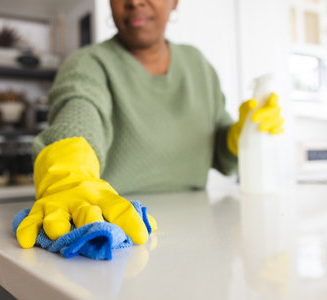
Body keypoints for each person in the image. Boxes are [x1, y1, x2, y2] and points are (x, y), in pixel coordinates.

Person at [16, 0, 283, 249]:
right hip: (123, 231)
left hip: (203, 235)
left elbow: (222, 157)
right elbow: (79, 109)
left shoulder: (198, 65)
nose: (134, 1)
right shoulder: (88, 64)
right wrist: (69, 172)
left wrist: (242, 134)